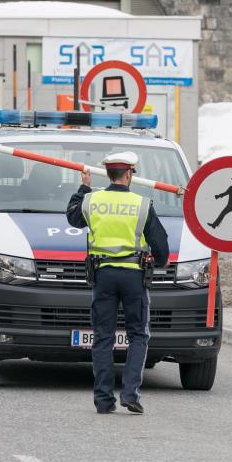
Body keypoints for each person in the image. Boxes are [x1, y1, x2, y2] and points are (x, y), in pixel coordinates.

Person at [66, 151, 169, 415]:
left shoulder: (92, 201)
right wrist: (160, 260)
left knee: (103, 337)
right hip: (134, 276)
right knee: (138, 335)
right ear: (129, 173)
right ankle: (130, 394)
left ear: (109, 173)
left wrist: (83, 187)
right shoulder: (142, 204)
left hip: (103, 276)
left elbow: (73, 218)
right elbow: (160, 245)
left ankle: (103, 400)